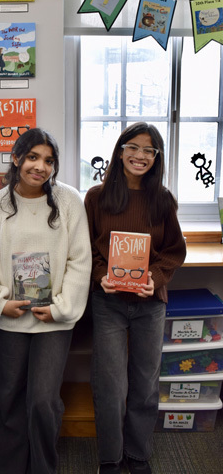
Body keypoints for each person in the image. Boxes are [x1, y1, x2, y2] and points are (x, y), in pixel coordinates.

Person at [0, 128, 92, 474]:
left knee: (42, 400)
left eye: (49, 160)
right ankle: (11, 467)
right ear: (17, 159)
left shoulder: (69, 201)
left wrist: (61, 309)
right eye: (34, 158)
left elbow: (80, 261)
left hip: (53, 319)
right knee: (8, 397)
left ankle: (43, 467)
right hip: (10, 317)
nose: (41, 167)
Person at [84, 122, 187, 474]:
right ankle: (111, 457)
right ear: (120, 149)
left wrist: (154, 279)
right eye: (134, 147)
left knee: (145, 382)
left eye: (149, 150)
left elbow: (174, 251)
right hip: (109, 301)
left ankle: (138, 454)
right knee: (110, 383)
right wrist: (101, 276)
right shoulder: (97, 197)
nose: (140, 156)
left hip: (149, 303)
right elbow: (87, 250)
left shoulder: (163, 200)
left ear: (156, 157)